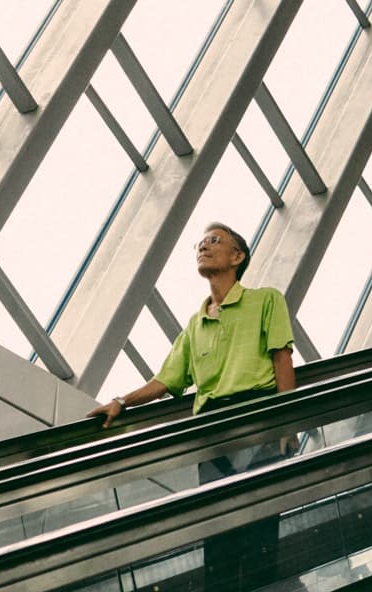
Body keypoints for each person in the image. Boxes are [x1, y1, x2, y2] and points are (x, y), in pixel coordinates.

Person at [86, 221, 297, 591]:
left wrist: (287, 423)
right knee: (216, 530)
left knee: (259, 520)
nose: (203, 246)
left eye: (214, 241)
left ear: (237, 256)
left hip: (257, 416)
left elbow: (282, 359)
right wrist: (121, 401)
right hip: (210, 429)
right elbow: (166, 380)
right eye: (200, 243)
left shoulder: (266, 300)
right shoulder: (195, 323)